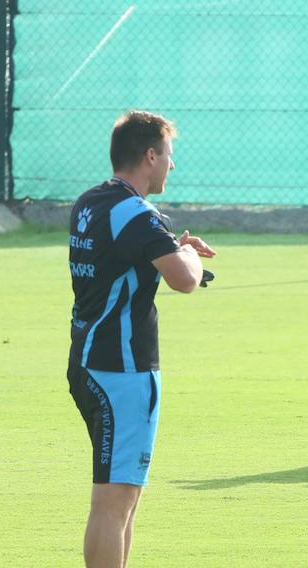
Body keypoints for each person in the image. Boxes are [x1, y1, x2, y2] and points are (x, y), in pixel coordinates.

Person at [66, 110, 216, 567]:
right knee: (115, 505)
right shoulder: (137, 213)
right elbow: (184, 280)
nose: (172, 165)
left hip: (90, 362)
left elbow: (126, 260)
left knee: (117, 501)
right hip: (122, 370)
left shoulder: (90, 202)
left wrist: (172, 245)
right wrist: (185, 253)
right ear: (150, 155)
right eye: (169, 155)